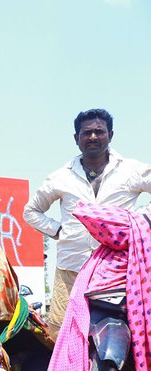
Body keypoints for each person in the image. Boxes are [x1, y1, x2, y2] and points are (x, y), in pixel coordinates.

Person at [24, 108, 151, 341]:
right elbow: (31, 211)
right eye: (87, 132)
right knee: (61, 331)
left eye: (99, 132)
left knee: (129, 327)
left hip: (118, 267)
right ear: (77, 138)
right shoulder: (60, 177)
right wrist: (58, 230)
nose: (93, 137)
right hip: (71, 267)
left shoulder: (130, 170)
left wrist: (138, 219)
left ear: (110, 135)